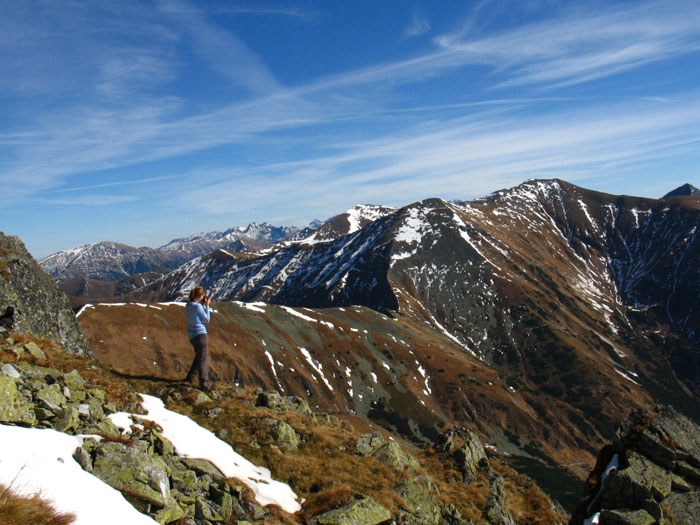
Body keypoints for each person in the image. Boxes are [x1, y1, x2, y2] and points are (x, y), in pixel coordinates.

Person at [185, 286, 213, 391]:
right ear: (201, 295)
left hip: (192, 335)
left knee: (198, 357)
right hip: (201, 334)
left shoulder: (188, 305)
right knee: (203, 360)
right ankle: (204, 385)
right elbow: (207, 319)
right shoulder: (198, 307)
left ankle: (190, 377)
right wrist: (207, 306)